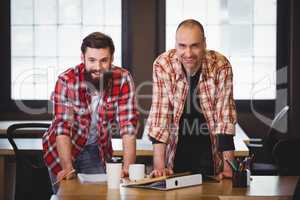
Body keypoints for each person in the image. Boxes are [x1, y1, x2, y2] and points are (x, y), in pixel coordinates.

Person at [43, 32, 139, 193]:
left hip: (96, 149)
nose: (98, 67)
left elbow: (128, 126)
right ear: (83, 58)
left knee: (101, 194)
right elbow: (62, 127)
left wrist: (128, 169)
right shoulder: (66, 80)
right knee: (67, 194)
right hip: (62, 150)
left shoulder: (123, 78)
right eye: (92, 60)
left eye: (104, 61)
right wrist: (67, 167)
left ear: (112, 59)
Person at [145, 19, 237, 179]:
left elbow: (225, 118)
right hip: (175, 152)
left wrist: (229, 167)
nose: (188, 53)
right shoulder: (163, 65)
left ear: (204, 44)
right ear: (175, 44)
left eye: (194, 45)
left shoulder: (220, 65)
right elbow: (161, 117)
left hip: (210, 151)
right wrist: (160, 168)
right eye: (182, 46)